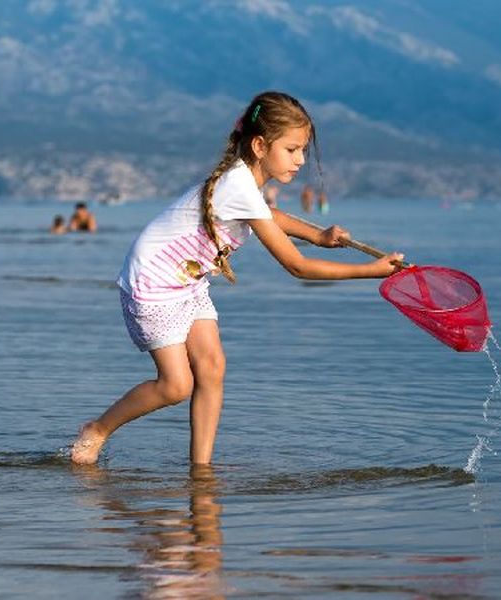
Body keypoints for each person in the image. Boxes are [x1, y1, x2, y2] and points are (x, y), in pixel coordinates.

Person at [71, 91, 403, 465]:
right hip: (153, 286)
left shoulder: (244, 184)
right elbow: (296, 266)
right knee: (176, 386)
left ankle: (201, 467)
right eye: (292, 149)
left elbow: (268, 214)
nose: (300, 160)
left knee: (212, 367)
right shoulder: (239, 185)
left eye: (303, 150)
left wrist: (318, 235)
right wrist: (371, 272)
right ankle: (97, 429)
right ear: (260, 145)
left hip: (186, 284)